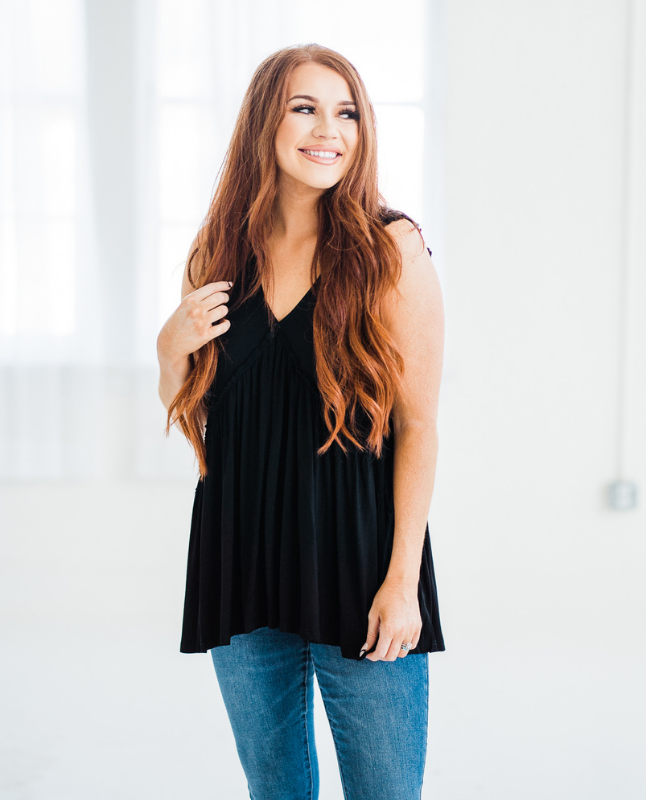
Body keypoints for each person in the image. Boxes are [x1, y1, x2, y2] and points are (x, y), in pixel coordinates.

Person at [157, 43, 445, 800]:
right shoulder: (218, 254)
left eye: (346, 113)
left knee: (386, 792)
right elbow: (190, 407)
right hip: (242, 563)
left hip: (361, 567)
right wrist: (168, 347)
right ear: (265, 122)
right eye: (305, 108)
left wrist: (402, 583)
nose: (329, 130)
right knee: (274, 790)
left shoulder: (391, 250)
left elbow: (419, 426)